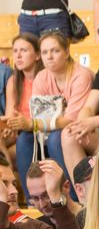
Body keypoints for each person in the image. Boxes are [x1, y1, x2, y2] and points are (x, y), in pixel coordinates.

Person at [18, 31, 93, 179]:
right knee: (24, 139)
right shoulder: (41, 76)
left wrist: (32, 124)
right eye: (45, 52)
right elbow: (37, 116)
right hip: (51, 130)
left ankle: (71, 198)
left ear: (66, 52)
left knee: (57, 137)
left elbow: (71, 121)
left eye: (55, 51)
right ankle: (31, 200)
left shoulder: (80, 75)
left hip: (81, 131)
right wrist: (31, 124)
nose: (49, 57)